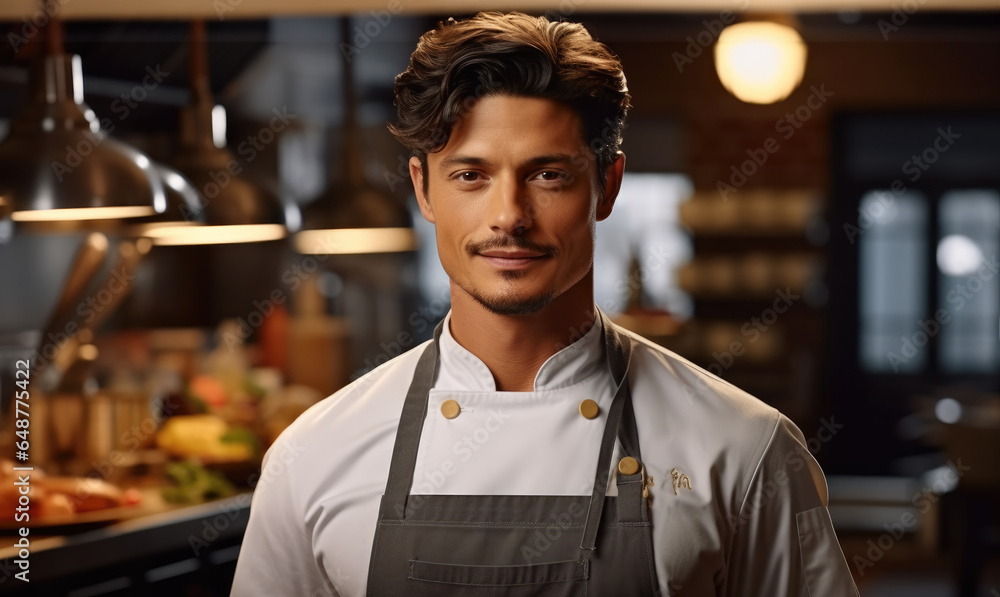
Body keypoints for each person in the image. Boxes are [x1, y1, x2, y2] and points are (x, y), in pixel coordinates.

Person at [231, 11, 859, 596]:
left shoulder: (745, 450)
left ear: (606, 186)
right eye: (470, 175)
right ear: (423, 189)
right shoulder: (313, 456)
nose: (509, 217)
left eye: (548, 174)